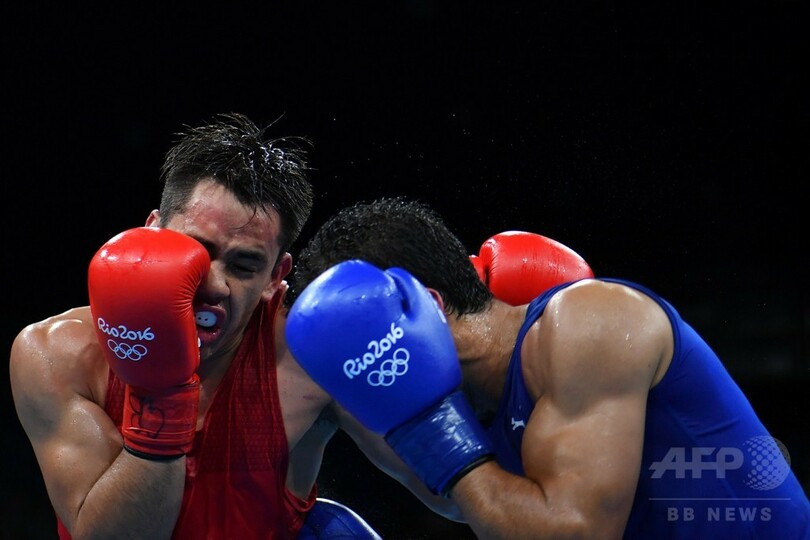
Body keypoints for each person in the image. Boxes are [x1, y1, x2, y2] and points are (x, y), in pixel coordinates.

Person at [284, 196, 810, 539]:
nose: (359, 379)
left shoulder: (590, 321)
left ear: (428, 304)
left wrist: (432, 429)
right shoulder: (474, 405)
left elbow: (575, 532)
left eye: (357, 351)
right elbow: (463, 501)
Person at [9, 113, 386, 539]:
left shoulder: (311, 353)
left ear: (275, 277)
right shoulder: (58, 353)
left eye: (244, 265)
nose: (215, 284)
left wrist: (458, 365)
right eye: (196, 250)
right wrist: (163, 394)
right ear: (151, 231)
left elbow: (437, 483)